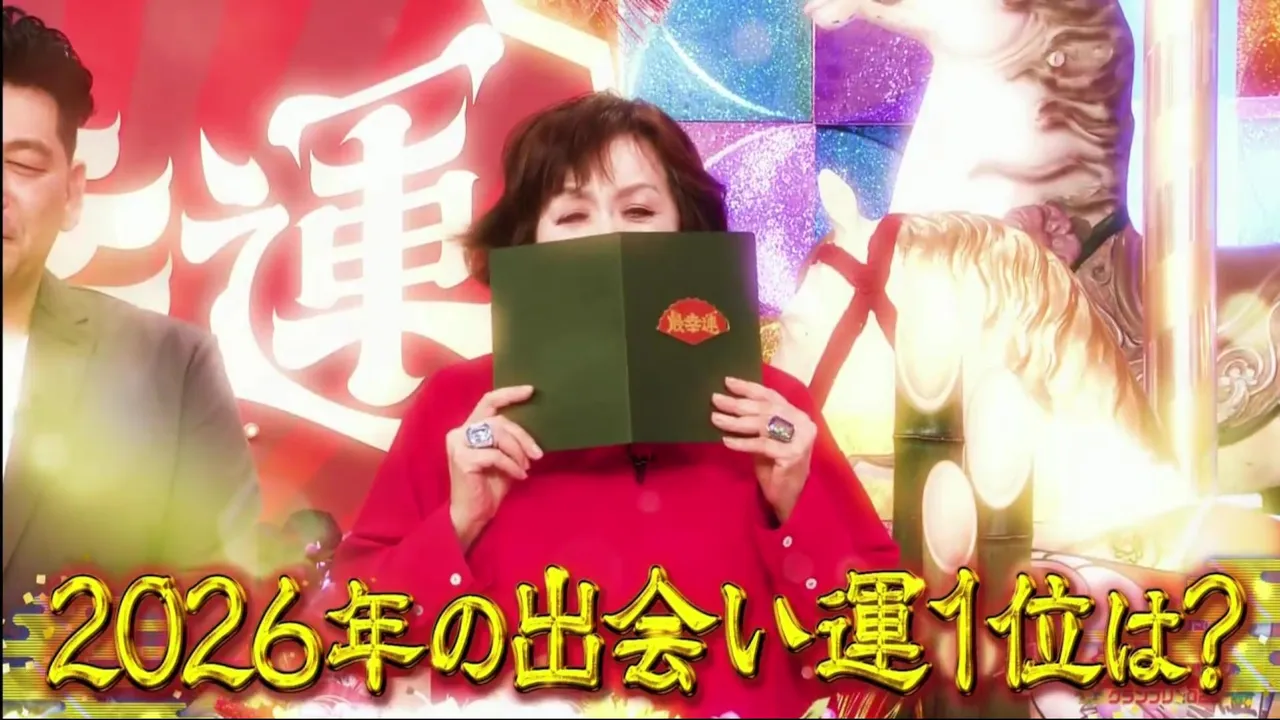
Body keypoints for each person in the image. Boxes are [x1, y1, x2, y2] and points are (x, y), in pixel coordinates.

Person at [331, 92, 899, 717]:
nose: (606, 237)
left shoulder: (772, 408)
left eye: (637, 210)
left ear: (687, 231)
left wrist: (795, 502)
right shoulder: (459, 409)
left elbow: (880, 648)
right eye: (572, 215)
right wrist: (459, 521)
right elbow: (346, 645)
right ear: (527, 242)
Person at [2, 6, 263, 619]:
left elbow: (216, 614)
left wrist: (34, 672)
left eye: (23, 165)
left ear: (72, 193)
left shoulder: (172, 368)